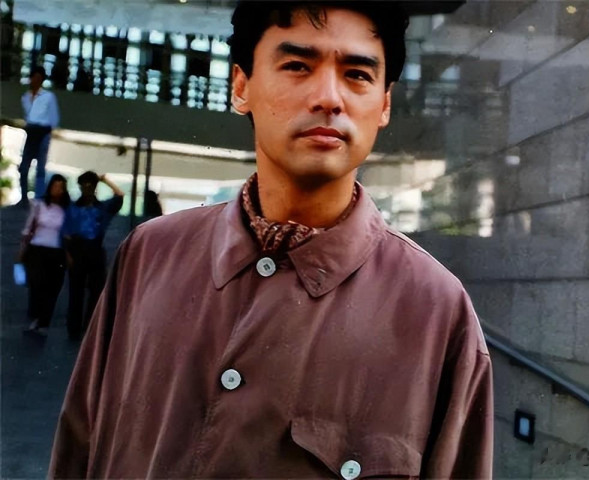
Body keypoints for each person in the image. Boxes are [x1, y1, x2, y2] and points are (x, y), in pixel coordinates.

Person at [50, 2, 494, 478]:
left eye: (357, 75)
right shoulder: (149, 254)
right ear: (241, 86)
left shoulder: (435, 310)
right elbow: (79, 447)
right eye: (298, 66)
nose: (329, 98)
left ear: (384, 104)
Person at [62, 171, 124, 340]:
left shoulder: (102, 207)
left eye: (91, 186)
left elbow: (119, 196)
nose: (87, 189)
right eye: (84, 186)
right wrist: (68, 255)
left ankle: (90, 326)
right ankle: (74, 328)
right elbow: (66, 233)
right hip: (77, 249)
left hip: (95, 249)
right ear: (80, 187)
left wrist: (105, 180)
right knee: (76, 291)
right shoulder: (73, 208)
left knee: (96, 290)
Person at [18, 174, 71, 337]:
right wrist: (22, 250)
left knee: (53, 288)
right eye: (55, 186)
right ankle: (35, 318)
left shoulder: (66, 209)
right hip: (37, 250)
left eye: (60, 187)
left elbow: (68, 232)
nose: (57, 190)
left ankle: (43, 322)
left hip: (56, 252)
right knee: (37, 285)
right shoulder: (39, 205)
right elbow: (29, 228)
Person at [19, 66, 60, 206]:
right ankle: (23, 198)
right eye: (34, 78)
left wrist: (47, 128)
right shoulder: (25, 97)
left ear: (41, 80)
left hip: (43, 132)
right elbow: (28, 116)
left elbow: (54, 117)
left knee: (41, 168)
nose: (35, 80)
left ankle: (39, 199)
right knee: (24, 167)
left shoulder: (48, 96)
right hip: (31, 132)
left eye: (38, 78)